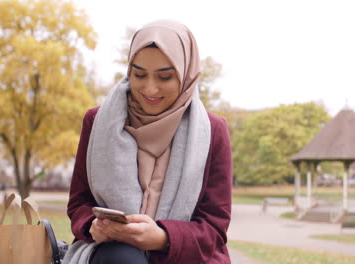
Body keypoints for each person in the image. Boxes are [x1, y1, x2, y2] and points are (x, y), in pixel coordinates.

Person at [63, 20, 232, 264]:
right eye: (139, 74)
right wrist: (92, 226)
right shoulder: (98, 121)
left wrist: (163, 238)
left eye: (164, 77)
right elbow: (79, 203)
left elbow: (214, 227)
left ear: (186, 75)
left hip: (187, 257)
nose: (150, 89)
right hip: (113, 254)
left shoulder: (213, 131)